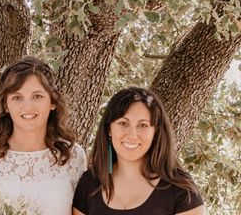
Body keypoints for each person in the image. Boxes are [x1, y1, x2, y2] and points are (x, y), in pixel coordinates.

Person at [0, 57, 86, 215]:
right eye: (17, 97)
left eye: (37, 96)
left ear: (52, 101)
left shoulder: (73, 157)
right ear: (6, 105)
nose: (27, 107)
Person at [72, 87, 205, 215]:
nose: (132, 135)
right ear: (109, 129)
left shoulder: (180, 189)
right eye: (123, 123)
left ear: (156, 132)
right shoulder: (90, 182)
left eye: (143, 125)